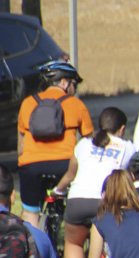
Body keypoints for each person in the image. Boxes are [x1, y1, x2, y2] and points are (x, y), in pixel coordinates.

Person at [54, 107, 136, 258]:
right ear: (122, 129)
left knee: (73, 243)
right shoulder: (128, 147)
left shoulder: (83, 144)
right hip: (106, 202)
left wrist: (58, 190)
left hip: (78, 200)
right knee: (111, 241)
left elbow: (71, 175)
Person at [17, 59, 93, 229]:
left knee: (30, 212)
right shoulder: (76, 104)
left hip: (31, 165)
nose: (75, 89)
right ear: (64, 82)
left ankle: (33, 250)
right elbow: (90, 142)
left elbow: (21, 145)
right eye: (74, 84)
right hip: (65, 165)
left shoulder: (27, 103)